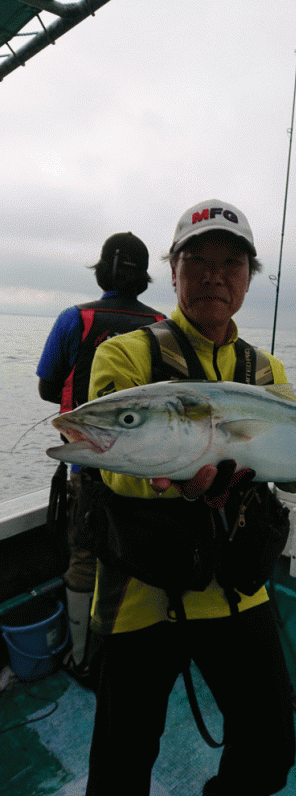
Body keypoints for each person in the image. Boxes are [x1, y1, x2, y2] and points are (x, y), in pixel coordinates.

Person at [84, 200, 296, 796]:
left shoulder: (265, 370)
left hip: (234, 590)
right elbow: (113, 464)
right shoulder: (126, 355)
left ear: (250, 277)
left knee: (270, 750)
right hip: (142, 593)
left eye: (232, 262)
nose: (215, 274)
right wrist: (162, 478)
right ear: (173, 270)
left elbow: (295, 472)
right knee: (120, 768)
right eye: (197, 260)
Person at [37, 232, 165, 682]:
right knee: (142, 559)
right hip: (150, 474)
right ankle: (136, 661)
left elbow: (47, 388)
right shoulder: (165, 328)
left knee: (85, 558)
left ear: (100, 272)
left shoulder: (75, 319)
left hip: (89, 468)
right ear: (146, 279)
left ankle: (83, 658)